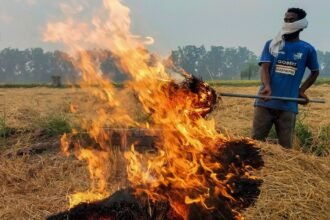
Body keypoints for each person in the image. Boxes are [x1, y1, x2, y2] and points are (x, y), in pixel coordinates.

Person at [251, 8, 319, 148]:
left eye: (291, 20)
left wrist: (301, 90)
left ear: (300, 25)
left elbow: (315, 72)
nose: (287, 23)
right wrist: (267, 87)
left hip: (288, 105)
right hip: (265, 102)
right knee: (254, 145)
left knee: (286, 149)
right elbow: (265, 68)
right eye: (285, 20)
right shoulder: (272, 44)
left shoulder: (307, 49)